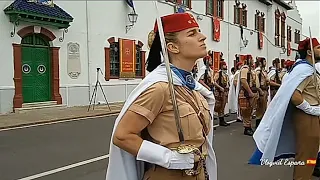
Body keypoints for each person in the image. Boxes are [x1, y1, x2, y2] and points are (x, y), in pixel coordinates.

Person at [106, 13, 217, 180]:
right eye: (192, 33)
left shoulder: (193, 88)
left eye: (198, 31)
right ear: (172, 47)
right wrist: (168, 158)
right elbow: (122, 136)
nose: (203, 37)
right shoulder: (160, 88)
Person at [249, 37, 320, 180]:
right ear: (309, 52)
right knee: (306, 153)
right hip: (307, 116)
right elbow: (295, 96)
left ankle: (307, 174)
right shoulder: (304, 70)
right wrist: (312, 110)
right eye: (318, 48)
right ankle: (301, 177)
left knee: (312, 152)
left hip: (311, 115)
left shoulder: (309, 69)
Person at [236, 55, 259, 136]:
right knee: (246, 110)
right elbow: (244, 81)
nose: (253, 61)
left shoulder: (251, 70)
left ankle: (248, 126)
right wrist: (249, 92)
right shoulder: (245, 69)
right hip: (246, 93)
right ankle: (247, 128)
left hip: (252, 92)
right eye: (251, 59)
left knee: (250, 110)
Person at [213, 61, 230, 126]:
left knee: (223, 106)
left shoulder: (226, 74)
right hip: (220, 92)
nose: (226, 66)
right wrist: (219, 87)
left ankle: (222, 120)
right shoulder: (218, 73)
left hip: (225, 92)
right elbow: (214, 82)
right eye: (224, 65)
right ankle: (221, 120)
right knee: (219, 106)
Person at [254, 57, 269, 128]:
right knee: (260, 108)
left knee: (264, 108)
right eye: (264, 62)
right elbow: (257, 82)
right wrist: (260, 90)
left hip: (265, 90)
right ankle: (258, 124)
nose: (265, 63)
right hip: (261, 91)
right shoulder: (258, 71)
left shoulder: (263, 71)